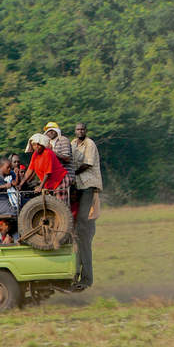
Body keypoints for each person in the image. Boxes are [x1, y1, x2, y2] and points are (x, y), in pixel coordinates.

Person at [71, 123, 103, 290]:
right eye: (78, 130)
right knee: (79, 242)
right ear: (75, 132)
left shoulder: (89, 144)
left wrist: (72, 172)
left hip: (88, 184)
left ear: (86, 131)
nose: (80, 132)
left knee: (83, 229)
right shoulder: (72, 144)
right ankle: (77, 277)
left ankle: (87, 279)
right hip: (78, 186)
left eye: (82, 129)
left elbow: (87, 164)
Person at [19, 133, 70, 203]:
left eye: (38, 144)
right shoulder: (35, 155)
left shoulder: (47, 153)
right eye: (34, 145)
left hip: (60, 180)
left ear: (42, 145)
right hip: (50, 183)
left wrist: (40, 186)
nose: (36, 147)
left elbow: (47, 173)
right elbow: (30, 170)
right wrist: (21, 184)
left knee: (60, 205)